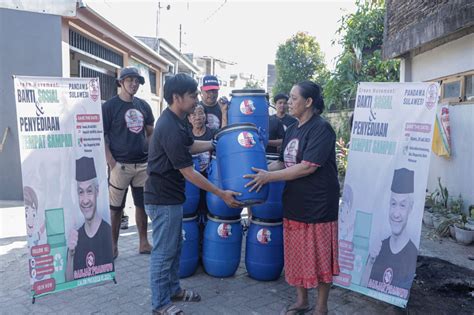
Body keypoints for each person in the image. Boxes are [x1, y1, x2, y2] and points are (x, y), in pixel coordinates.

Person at [144, 73, 243, 314]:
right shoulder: (169, 126)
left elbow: (190, 145)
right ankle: (160, 304)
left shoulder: (178, 120)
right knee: (164, 252)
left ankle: (174, 289)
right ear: (177, 97)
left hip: (171, 197)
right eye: (192, 95)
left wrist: (214, 143)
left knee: (175, 247)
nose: (197, 99)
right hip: (162, 198)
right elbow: (189, 172)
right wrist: (220, 193)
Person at [244, 81, 340, 315]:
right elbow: (282, 161)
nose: (289, 102)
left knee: (319, 258)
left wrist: (269, 178)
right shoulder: (293, 129)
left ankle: (321, 307)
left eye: (294, 98)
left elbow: (307, 167)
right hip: (295, 203)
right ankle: (301, 301)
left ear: (308, 102)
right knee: (296, 254)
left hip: (318, 205)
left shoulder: (321, 129)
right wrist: (260, 169)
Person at [102, 66, 154, 259]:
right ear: (121, 82)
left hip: (142, 165)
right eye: (130, 80)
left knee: (142, 205)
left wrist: (148, 153)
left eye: (137, 81)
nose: (134, 84)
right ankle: (113, 246)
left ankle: (143, 242)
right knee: (115, 208)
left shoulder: (143, 106)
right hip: (120, 166)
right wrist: (110, 161)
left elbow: (151, 132)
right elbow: (102, 135)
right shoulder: (109, 107)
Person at [361, 168, 418, 297]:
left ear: (411, 207)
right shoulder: (380, 247)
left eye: (403, 205)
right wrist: (371, 260)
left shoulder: (412, 253)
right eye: (393, 204)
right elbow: (364, 287)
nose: (396, 214)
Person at [66, 157, 114, 281]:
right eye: (81, 192)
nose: (85, 200)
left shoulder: (106, 233)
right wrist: (71, 254)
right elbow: (69, 281)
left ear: (97, 191)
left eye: (89, 191)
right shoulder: (77, 236)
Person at [187, 104, 215, 231]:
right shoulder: (186, 135)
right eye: (193, 114)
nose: (197, 117)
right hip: (191, 182)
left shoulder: (213, 134)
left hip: (209, 179)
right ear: (189, 118)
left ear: (205, 117)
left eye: (200, 113)